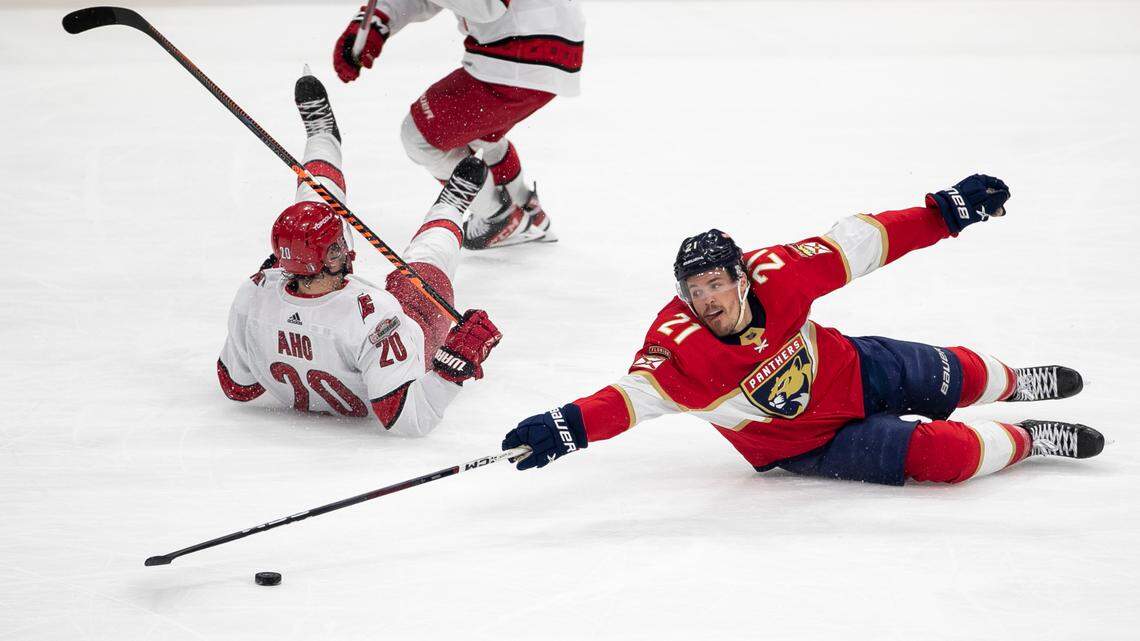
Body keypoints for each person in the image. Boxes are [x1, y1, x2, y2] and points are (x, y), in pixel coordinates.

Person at [501, 175, 1106, 484]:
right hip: (801, 444)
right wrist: (567, 428)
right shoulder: (679, 353)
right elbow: (629, 400)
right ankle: (1027, 440)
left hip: (850, 367)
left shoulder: (780, 273)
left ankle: (1011, 383)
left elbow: (867, 241)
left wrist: (946, 212)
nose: (706, 299)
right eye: (694, 290)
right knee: (946, 457)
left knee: (956, 374)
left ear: (742, 277)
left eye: (716, 282)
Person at [217, 72, 502, 436]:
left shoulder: (253, 294)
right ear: (320, 261)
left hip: (303, 281)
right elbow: (408, 419)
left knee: (315, 203)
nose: (346, 249)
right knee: (425, 262)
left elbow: (238, 386)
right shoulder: (375, 317)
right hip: (409, 332)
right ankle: (451, 205)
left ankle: (322, 137)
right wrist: (452, 366)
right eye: (336, 246)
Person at [332, 0, 585, 249]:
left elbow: (489, 6)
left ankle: (499, 217)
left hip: (518, 53)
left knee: (419, 137)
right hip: (547, 51)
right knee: (479, 132)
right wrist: (377, 22)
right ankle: (528, 210)